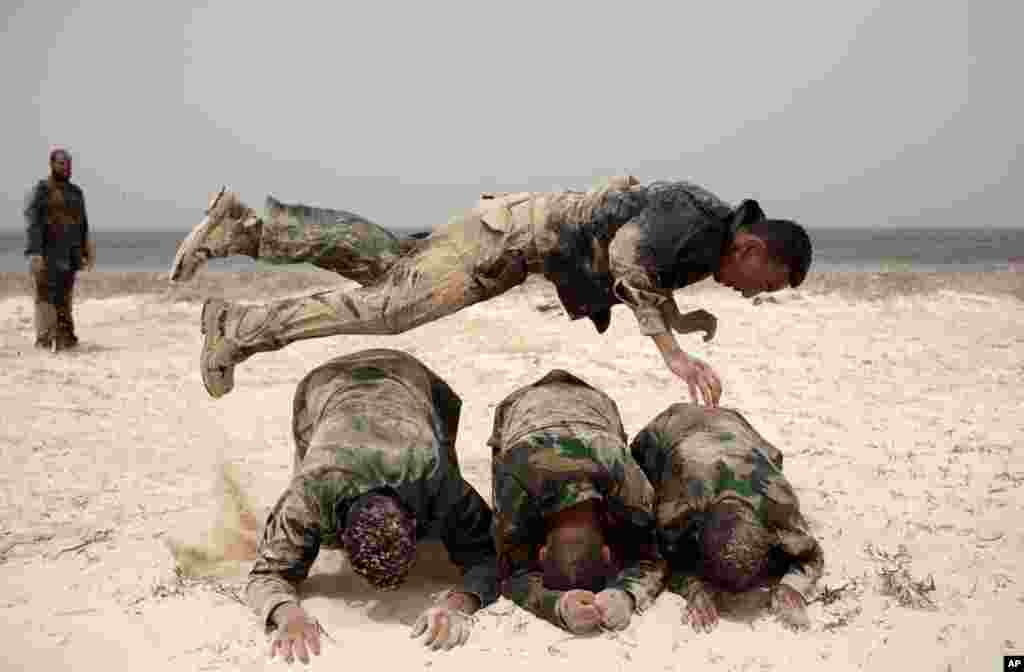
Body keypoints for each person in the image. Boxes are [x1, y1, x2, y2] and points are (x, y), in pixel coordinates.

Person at [168, 176, 812, 403]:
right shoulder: (699, 225)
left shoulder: (706, 233)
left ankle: (245, 230)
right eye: (767, 285)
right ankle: (238, 330)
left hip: (507, 232)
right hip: (504, 244)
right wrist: (673, 352)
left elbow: (640, 264)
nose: (757, 295)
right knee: (389, 308)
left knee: (385, 265)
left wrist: (684, 317)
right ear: (755, 249)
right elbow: (625, 258)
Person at [246, 349, 498, 664]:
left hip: (410, 376)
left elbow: (490, 557)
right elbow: (266, 574)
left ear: (414, 519)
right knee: (305, 503)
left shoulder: (434, 475)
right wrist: (288, 615)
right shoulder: (310, 494)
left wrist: (458, 605)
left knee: (449, 500)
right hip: (324, 384)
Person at [489, 369, 666, 634]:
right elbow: (508, 569)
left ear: (542, 553)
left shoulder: (625, 479)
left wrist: (625, 595)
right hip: (522, 407)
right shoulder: (513, 476)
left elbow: (512, 572)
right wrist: (557, 605)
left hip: (594, 405)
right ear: (607, 552)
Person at [628, 403, 824, 633]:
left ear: (770, 536)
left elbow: (810, 553)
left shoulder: (778, 501)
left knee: (771, 457)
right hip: (672, 423)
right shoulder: (681, 505)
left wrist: (792, 587)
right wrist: (693, 587)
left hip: (732, 423)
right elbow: (658, 555)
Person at [24, 148, 95, 351]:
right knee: (45, 296)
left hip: (70, 254)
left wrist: (86, 251)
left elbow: (83, 224)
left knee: (65, 296)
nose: (66, 167)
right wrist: (35, 252)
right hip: (47, 253)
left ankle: (65, 337)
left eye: (69, 163)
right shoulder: (42, 190)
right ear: (52, 164)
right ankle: (45, 338)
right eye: (62, 163)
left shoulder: (76, 192)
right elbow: (34, 222)